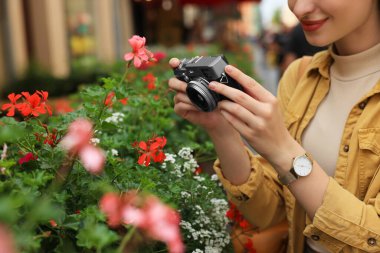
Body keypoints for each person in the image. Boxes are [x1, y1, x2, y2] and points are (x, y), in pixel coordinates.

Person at [168, 0, 380, 252]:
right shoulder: (301, 76)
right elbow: (269, 211)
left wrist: (283, 151)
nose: (299, 9)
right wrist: (221, 130)